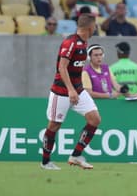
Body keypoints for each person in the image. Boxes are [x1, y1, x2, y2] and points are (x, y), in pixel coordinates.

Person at [40, 14, 100, 170]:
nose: (96, 28)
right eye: (95, 26)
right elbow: (62, 67)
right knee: (54, 125)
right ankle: (45, 162)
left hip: (78, 90)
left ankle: (76, 155)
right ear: (89, 27)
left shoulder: (84, 43)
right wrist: (71, 90)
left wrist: (76, 89)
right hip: (61, 91)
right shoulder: (70, 42)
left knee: (94, 119)